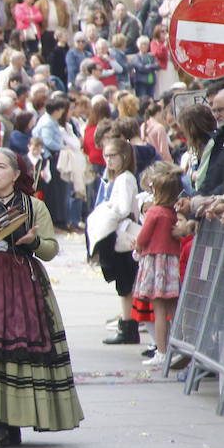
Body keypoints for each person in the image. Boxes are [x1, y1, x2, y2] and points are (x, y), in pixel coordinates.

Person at [0, 148, 82, 447]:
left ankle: (12, 420)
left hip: (23, 283)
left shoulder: (34, 207)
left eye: (0, 167)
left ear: (16, 174)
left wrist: (34, 241)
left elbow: (50, 249)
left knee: (20, 346)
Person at [86, 137, 141, 347]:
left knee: (126, 285)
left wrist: (107, 209)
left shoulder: (125, 178)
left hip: (123, 235)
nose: (108, 160)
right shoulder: (119, 177)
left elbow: (124, 208)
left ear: (124, 156)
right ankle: (127, 326)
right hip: (120, 235)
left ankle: (128, 328)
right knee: (124, 285)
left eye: (113, 156)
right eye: (106, 156)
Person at [133, 166, 183, 368]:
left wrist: (136, 245)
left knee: (159, 309)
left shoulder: (154, 212)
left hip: (155, 263)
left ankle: (162, 351)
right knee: (174, 308)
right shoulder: (172, 213)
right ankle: (181, 349)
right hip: (171, 263)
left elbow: (143, 237)